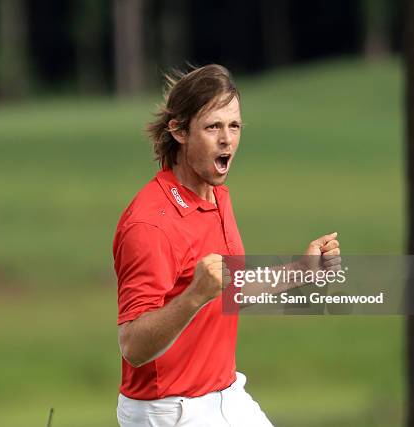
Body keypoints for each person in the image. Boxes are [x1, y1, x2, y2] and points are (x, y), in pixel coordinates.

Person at [112, 64, 340, 426]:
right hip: (171, 410)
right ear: (179, 131)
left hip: (227, 395)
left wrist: (299, 270)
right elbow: (133, 347)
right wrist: (193, 297)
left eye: (234, 126)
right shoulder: (150, 223)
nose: (227, 139)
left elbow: (228, 287)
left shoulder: (216, 197)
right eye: (213, 127)